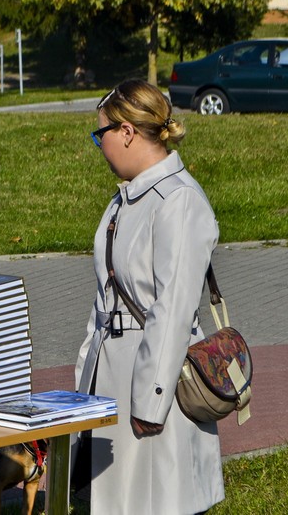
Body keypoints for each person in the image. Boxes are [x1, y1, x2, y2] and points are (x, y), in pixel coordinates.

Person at [73, 79, 225, 514]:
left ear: (125, 132)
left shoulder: (178, 201)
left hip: (158, 380)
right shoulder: (125, 199)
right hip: (114, 377)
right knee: (118, 500)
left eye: (99, 134)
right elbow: (105, 299)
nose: (98, 145)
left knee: (157, 500)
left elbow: (173, 310)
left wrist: (152, 401)